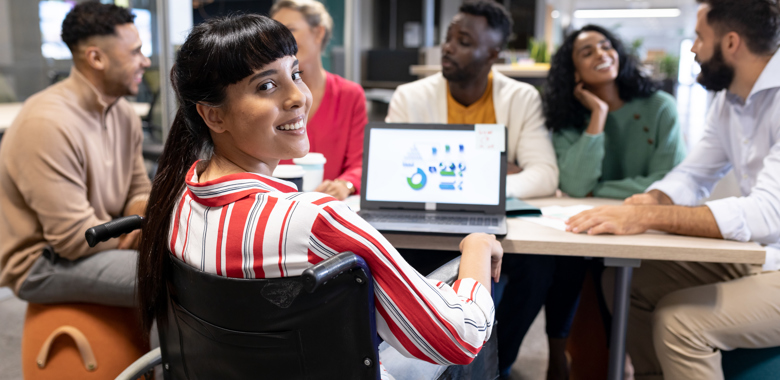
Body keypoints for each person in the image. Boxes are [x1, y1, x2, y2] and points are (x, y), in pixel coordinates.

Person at [136, 14, 503, 379]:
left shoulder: (179, 204)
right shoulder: (315, 221)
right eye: (266, 86)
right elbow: (460, 338)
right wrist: (477, 248)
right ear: (213, 116)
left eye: (294, 74)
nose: (298, 97)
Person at [565, 1, 780, 379]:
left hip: (772, 256)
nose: (693, 47)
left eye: (699, 37)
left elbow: (767, 213)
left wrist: (647, 216)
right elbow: (694, 175)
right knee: (624, 280)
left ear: (731, 43)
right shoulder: (729, 100)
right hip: (763, 255)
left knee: (679, 322)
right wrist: (651, 199)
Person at [496, 25, 688, 379]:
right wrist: (597, 116)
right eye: (587, 52)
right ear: (573, 73)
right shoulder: (571, 118)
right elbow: (573, 183)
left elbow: (669, 181)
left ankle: (619, 362)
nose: (601, 54)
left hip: (647, 228)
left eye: (606, 45)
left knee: (607, 271)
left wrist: (600, 189)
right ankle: (556, 355)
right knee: (562, 262)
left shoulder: (660, 107)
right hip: (588, 223)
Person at [0, 2, 151, 307]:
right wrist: (140, 232)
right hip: (42, 262)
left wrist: (138, 223)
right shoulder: (46, 123)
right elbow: (74, 239)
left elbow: (139, 190)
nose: (145, 61)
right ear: (96, 58)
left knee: (186, 265)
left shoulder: (123, 113)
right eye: (134, 51)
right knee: (170, 278)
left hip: (102, 236)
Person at [386, 0, 558, 200]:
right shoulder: (408, 97)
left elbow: (545, 175)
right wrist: (488, 175)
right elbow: (390, 171)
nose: (447, 48)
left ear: (492, 54)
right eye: (447, 38)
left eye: (463, 42)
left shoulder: (521, 98)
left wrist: (463, 184)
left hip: (492, 215)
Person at [270, 0, 366, 200]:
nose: (279, 42)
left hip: (330, 206)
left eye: (290, 30)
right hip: (277, 206)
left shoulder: (350, 95)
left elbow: (360, 163)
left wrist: (344, 185)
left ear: (318, 33)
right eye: (274, 34)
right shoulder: (266, 96)